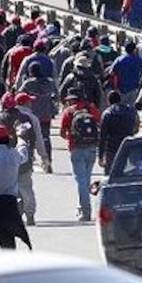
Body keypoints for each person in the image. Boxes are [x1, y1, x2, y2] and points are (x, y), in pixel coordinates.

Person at [59, 92, 101, 222]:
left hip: (76, 148)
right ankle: (84, 206)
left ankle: (85, 210)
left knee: (81, 181)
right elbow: (100, 123)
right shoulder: (91, 108)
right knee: (86, 179)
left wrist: (70, 138)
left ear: (71, 100)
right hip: (92, 148)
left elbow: (62, 132)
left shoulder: (69, 112)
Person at [99, 90, 139, 174]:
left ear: (109, 101)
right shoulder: (130, 111)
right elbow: (136, 127)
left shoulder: (107, 113)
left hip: (112, 148)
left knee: (110, 174)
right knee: (126, 172)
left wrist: (101, 155)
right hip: (128, 145)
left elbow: (103, 136)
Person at [108, 41, 142, 106]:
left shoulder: (119, 59)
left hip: (122, 88)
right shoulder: (138, 60)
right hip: (134, 88)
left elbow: (111, 72)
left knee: (121, 107)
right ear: (134, 50)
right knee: (132, 109)